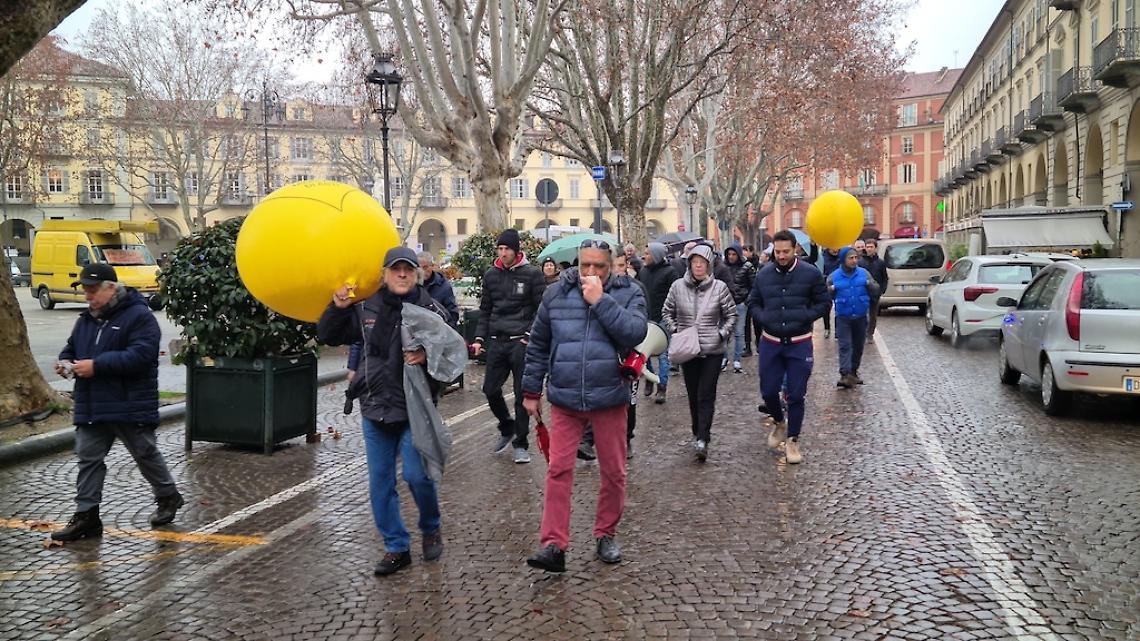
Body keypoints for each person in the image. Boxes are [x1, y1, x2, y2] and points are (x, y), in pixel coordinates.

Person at [317, 247, 451, 576]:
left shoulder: (430, 309)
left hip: (415, 410)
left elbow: (452, 354)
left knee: (417, 477)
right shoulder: (367, 307)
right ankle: (396, 547)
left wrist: (427, 355)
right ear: (385, 274)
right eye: (395, 269)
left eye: (407, 269)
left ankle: (431, 526)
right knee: (380, 484)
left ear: (417, 274)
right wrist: (337, 307)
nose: (402, 274)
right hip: (375, 407)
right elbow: (328, 335)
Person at [522, 239, 647, 572]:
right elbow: (538, 344)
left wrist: (600, 301)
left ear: (611, 266)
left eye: (599, 266)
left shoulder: (629, 292)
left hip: (609, 396)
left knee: (614, 472)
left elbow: (635, 332)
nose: (591, 271)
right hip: (565, 397)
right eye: (585, 265)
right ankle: (553, 544)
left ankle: (606, 533)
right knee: (558, 469)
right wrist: (531, 390)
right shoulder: (555, 294)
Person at [51, 263, 183, 542]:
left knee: (145, 454)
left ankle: (168, 495)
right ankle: (87, 516)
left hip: (129, 402)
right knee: (88, 458)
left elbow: (142, 355)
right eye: (85, 290)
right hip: (93, 403)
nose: (88, 295)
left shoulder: (139, 316)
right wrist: (65, 362)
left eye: (92, 290)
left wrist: (97, 366)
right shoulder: (85, 320)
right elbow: (71, 347)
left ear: (111, 288)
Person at [748, 230, 830, 465]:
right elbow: (753, 302)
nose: (782, 256)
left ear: (795, 250)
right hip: (771, 343)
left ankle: (793, 440)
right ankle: (779, 422)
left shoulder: (810, 273)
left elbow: (824, 302)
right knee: (768, 391)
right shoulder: (764, 274)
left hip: (799, 343)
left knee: (795, 394)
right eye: (778, 252)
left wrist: (805, 316)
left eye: (786, 251)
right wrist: (763, 317)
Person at [471, 229, 546, 464]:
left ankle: (521, 444)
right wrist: (479, 338)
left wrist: (529, 335)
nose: (503, 253)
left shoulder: (532, 274)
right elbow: (485, 310)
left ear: (516, 251)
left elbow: (541, 309)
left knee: (522, 394)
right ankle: (507, 426)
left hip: (521, 342)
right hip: (497, 341)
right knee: (490, 389)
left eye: (507, 249)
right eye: (500, 249)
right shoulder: (491, 275)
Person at [661, 244, 737, 462]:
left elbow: (731, 315)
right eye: (695, 262)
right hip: (688, 350)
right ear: (689, 264)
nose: (698, 266)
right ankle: (697, 430)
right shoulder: (677, 287)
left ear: (709, 265)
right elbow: (667, 311)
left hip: (712, 350)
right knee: (693, 394)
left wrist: (721, 334)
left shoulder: (719, 288)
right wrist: (676, 330)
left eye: (702, 262)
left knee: (706, 393)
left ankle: (703, 437)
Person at [829, 247, 879, 389]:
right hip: (843, 317)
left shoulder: (864, 273)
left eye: (856, 258)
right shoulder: (834, 276)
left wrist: (869, 285)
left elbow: (876, 289)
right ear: (843, 260)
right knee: (845, 345)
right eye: (850, 258)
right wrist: (830, 290)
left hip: (861, 316)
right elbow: (827, 295)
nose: (854, 260)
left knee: (858, 346)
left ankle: (853, 372)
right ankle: (845, 374)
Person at [638, 242, 676, 404]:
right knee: (644, 353)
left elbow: (675, 294)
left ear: (656, 255)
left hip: (663, 318)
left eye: (647, 253)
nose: (644, 256)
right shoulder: (643, 271)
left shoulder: (670, 272)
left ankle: (662, 386)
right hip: (646, 317)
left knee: (663, 355)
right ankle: (649, 378)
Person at [722, 244, 755, 373]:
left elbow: (754, 285)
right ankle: (724, 358)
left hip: (740, 303)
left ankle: (737, 360)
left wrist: (747, 300)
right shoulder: (723, 267)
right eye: (729, 254)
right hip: (725, 303)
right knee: (724, 332)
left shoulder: (747, 267)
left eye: (734, 254)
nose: (731, 257)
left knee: (739, 333)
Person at [418, 251, 459, 328]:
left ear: (432, 266)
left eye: (425, 267)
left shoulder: (444, 286)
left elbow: (453, 313)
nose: (422, 271)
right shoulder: (412, 285)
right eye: (419, 268)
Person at [859, 238, 888, 339]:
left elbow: (884, 277)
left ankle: (870, 333)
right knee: (862, 314)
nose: (869, 249)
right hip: (862, 292)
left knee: (873, 315)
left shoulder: (880, 263)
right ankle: (862, 332)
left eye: (871, 247)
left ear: (875, 248)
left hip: (875, 293)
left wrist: (882, 290)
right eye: (867, 247)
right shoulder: (860, 262)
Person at [820, 247, 841, 339]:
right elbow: (820, 270)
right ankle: (827, 328)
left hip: (839, 284)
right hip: (826, 284)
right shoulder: (823, 257)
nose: (835, 250)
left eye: (837, 248)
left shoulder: (842, 257)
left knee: (839, 308)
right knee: (826, 308)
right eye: (833, 248)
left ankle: (837, 330)